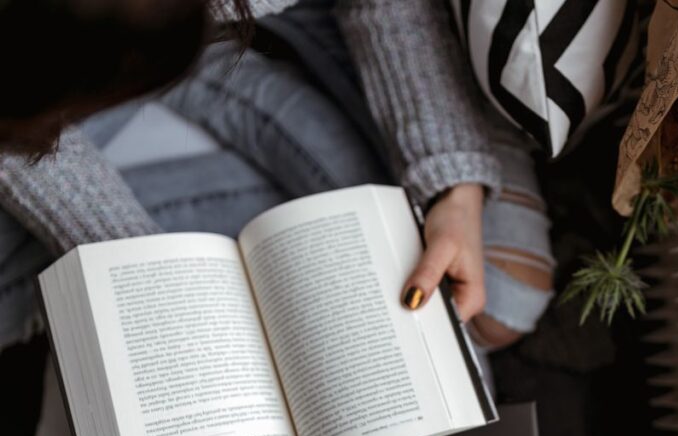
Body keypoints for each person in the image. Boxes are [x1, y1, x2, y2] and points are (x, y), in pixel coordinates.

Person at [0, 0, 554, 352]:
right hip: (101, 68)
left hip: (303, 22)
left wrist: (450, 181)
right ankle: (185, 82)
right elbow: (18, 124)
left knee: (496, 301)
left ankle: (198, 76)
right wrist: (126, 254)